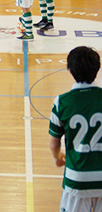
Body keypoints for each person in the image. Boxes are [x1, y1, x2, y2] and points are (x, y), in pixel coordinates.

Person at [49, 46, 102, 212]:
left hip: (77, 179)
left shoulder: (62, 102)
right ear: (98, 69)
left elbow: (54, 144)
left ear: (69, 70)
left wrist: (58, 157)